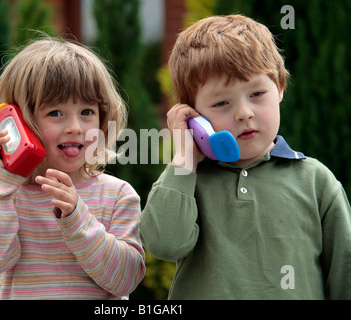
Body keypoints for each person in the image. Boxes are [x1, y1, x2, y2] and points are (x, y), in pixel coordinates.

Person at [140, 15, 351, 299]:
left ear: (280, 90)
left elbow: (344, 274)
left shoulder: (316, 182)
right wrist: (184, 160)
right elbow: (164, 244)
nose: (244, 113)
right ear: (194, 117)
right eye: (221, 103)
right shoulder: (186, 182)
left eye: (257, 93)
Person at [0, 37, 145, 299]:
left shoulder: (117, 195)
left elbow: (125, 280)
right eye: (56, 113)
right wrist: (0, 190)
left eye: (86, 112)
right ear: (18, 122)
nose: (75, 126)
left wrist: (76, 218)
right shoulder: (2, 196)